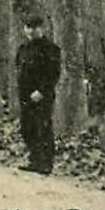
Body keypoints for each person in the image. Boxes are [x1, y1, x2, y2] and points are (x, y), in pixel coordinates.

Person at [15, 13, 62, 173]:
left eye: (34, 28)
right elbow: (19, 67)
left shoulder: (50, 48)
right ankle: (34, 159)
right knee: (27, 127)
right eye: (28, 27)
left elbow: (53, 72)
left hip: (42, 95)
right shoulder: (23, 48)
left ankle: (46, 163)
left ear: (41, 28)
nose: (31, 31)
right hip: (25, 94)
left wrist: (42, 90)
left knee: (42, 126)